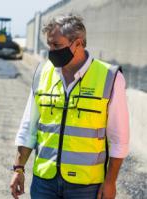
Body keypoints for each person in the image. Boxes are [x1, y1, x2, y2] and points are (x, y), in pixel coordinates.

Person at [10, 14, 129, 199]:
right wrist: (19, 169)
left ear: (78, 43)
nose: (51, 51)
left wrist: (110, 182)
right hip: (44, 182)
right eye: (49, 45)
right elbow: (29, 127)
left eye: (56, 45)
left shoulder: (110, 77)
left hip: (85, 187)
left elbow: (119, 139)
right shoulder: (42, 73)